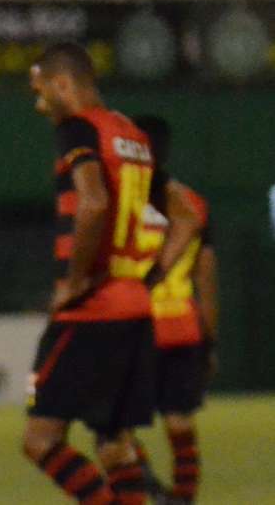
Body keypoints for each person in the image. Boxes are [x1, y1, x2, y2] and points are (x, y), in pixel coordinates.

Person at [23, 43, 200, 505]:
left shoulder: (77, 129)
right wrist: (153, 277)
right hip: (135, 308)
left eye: (41, 91)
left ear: (63, 84)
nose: (40, 104)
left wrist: (75, 280)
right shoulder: (132, 136)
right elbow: (185, 218)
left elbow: (95, 201)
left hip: (92, 312)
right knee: (115, 444)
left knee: (41, 441)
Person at [134, 115, 219, 505]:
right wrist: (209, 340)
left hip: (134, 324)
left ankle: (147, 485)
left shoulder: (121, 199)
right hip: (182, 325)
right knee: (179, 420)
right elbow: (206, 278)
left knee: (111, 422)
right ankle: (183, 498)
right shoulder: (195, 204)